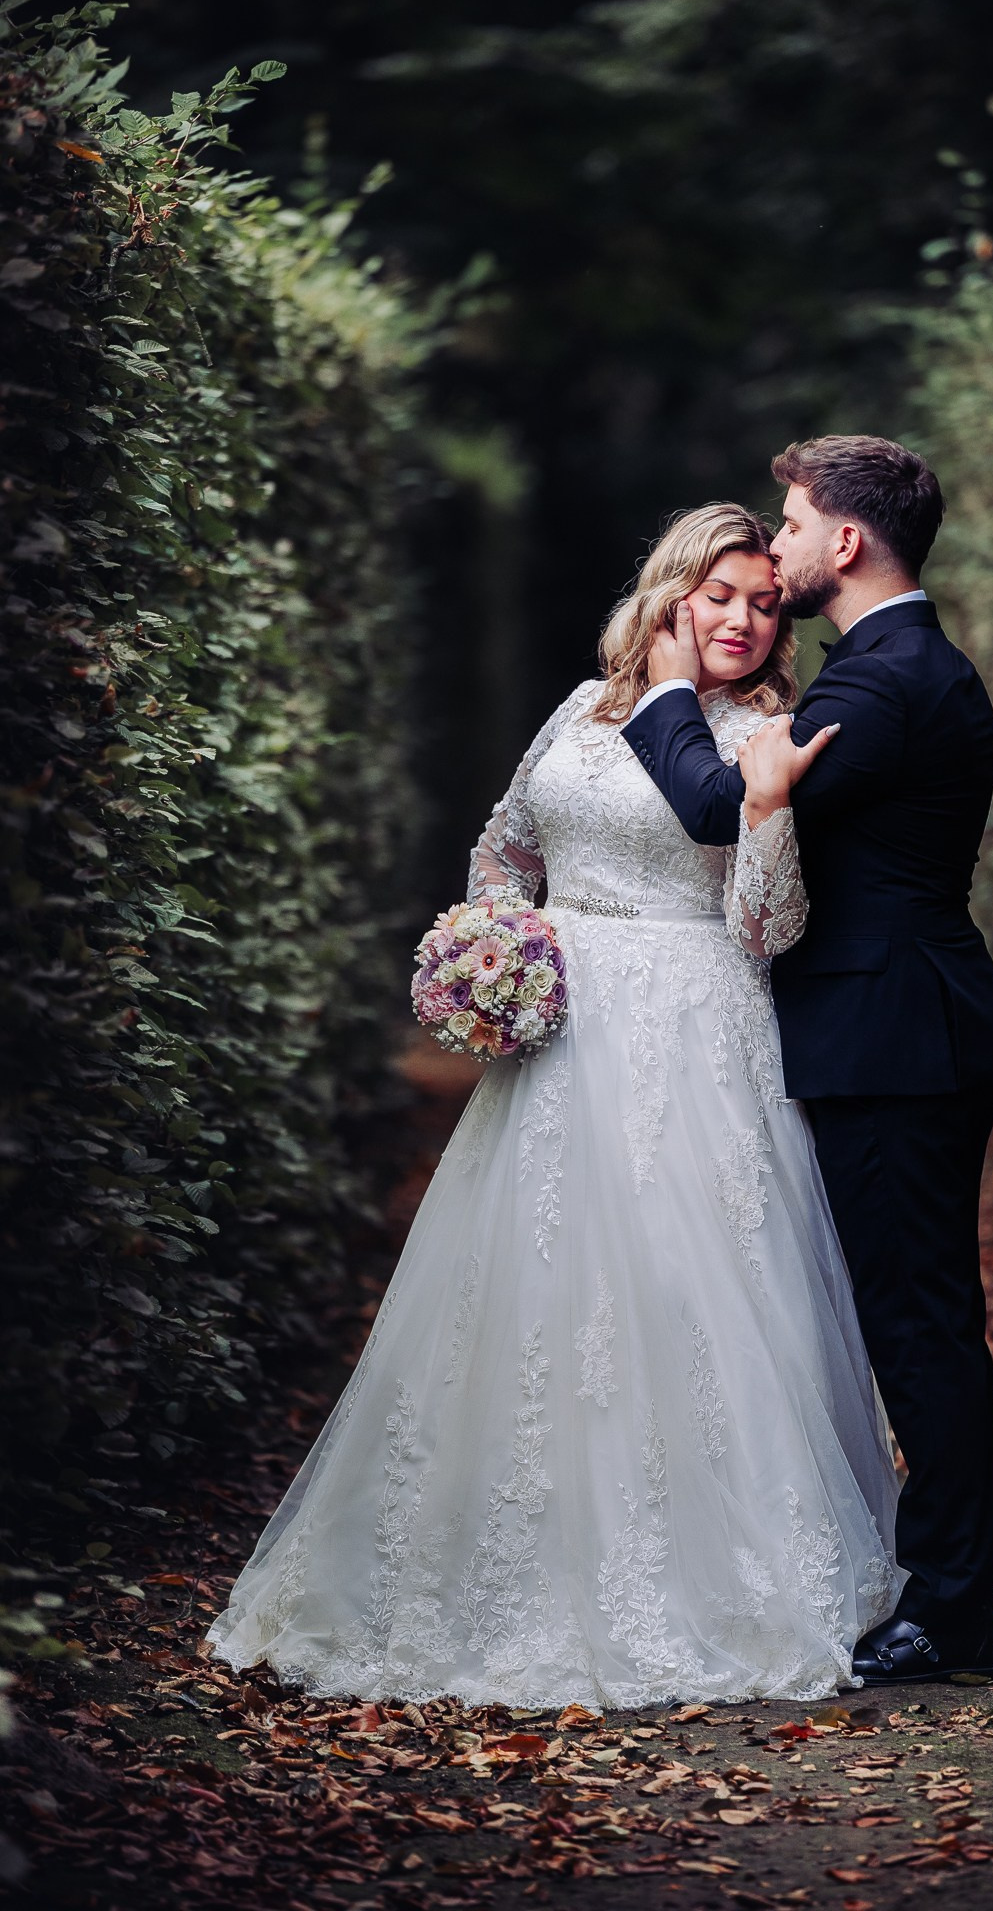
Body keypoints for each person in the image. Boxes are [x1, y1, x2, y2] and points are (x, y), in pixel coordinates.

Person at [208, 503, 902, 1710]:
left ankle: (706, 1566)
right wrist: (499, 943)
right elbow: (505, 844)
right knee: (532, 1283)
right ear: (672, 594)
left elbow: (768, 926)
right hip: (563, 1028)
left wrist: (768, 810)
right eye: (721, 595)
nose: (743, 619)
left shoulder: (767, 732)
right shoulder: (581, 709)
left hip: (692, 1026)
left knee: (688, 1285)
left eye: (763, 601)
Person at [623, 436, 993, 1684]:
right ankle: (952, 1594)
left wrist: (662, 693)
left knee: (919, 1325)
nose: (781, 541)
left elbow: (720, 804)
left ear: (846, 540)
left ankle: (952, 1609)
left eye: (793, 523)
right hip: (905, 1026)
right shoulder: (896, 663)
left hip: (895, 1036)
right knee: (919, 1319)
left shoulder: (883, 681)